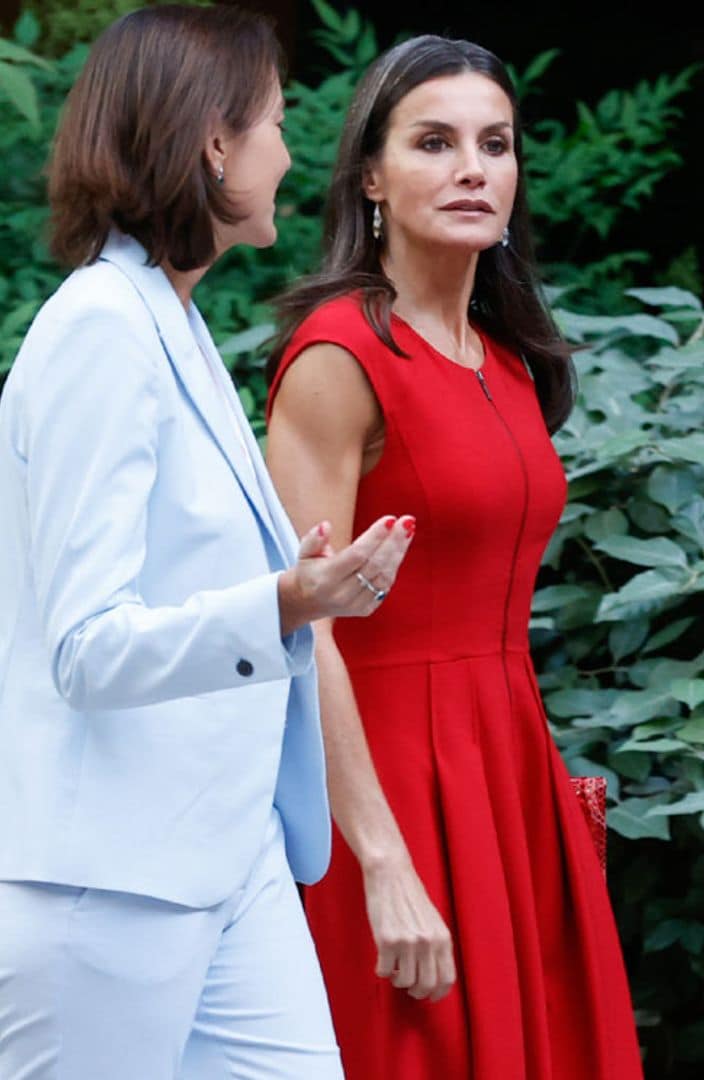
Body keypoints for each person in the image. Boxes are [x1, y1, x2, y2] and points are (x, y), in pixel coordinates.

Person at [0, 7, 418, 1077]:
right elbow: (84, 647)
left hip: (230, 862)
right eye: (276, 121)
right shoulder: (100, 326)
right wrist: (288, 601)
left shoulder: (167, 319)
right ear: (213, 143)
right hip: (106, 886)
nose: (293, 152)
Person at [265, 34, 643, 1080]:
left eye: (496, 144)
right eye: (434, 142)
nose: (474, 168)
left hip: (508, 767)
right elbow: (304, 630)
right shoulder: (339, 357)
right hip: (382, 780)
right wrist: (381, 863)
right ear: (372, 179)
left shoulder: (512, 357)